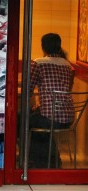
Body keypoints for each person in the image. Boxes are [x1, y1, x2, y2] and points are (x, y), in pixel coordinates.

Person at [29, 33, 75, 168]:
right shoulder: (67, 65)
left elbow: (28, 87)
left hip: (50, 118)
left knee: (22, 119)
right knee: (37, 120)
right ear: (59, 47)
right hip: (69, 118)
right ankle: (51, 159)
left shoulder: (38, 63)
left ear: (43, 47)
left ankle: (40, 161)